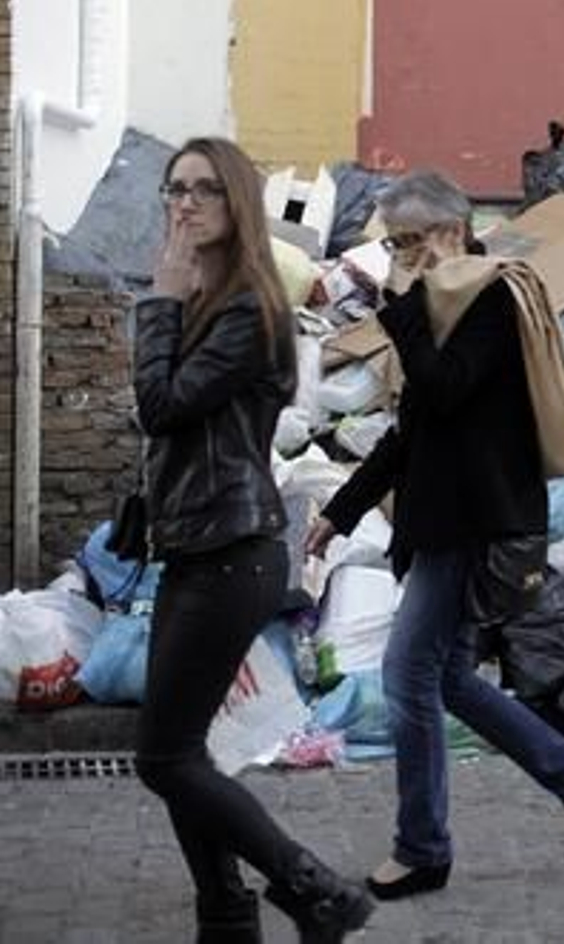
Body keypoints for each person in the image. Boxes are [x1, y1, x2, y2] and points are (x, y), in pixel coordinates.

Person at [306, 170, 564, 902]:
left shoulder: (490, 299)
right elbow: (416, 427)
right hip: (443, 518)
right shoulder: (446, 304)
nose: (399, 258)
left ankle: (422, 848)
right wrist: (343, 509)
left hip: (472, 523)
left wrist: (405, 308)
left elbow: (445, 385)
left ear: (451, 232)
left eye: (408, 242)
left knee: (406, 673)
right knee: (445, 676)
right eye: (393, 244)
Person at [133, 137, 374, 943]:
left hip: (233, 553)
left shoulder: (246, 308)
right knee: (183, 753)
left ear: (238, 204)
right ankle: (227, 916)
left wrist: (159, 304)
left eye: (205, 189)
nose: (185, 202)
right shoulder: (207, 297)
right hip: (200, 549)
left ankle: (317, 889)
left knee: (163, 757)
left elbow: (161, 405)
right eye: (175, 188)